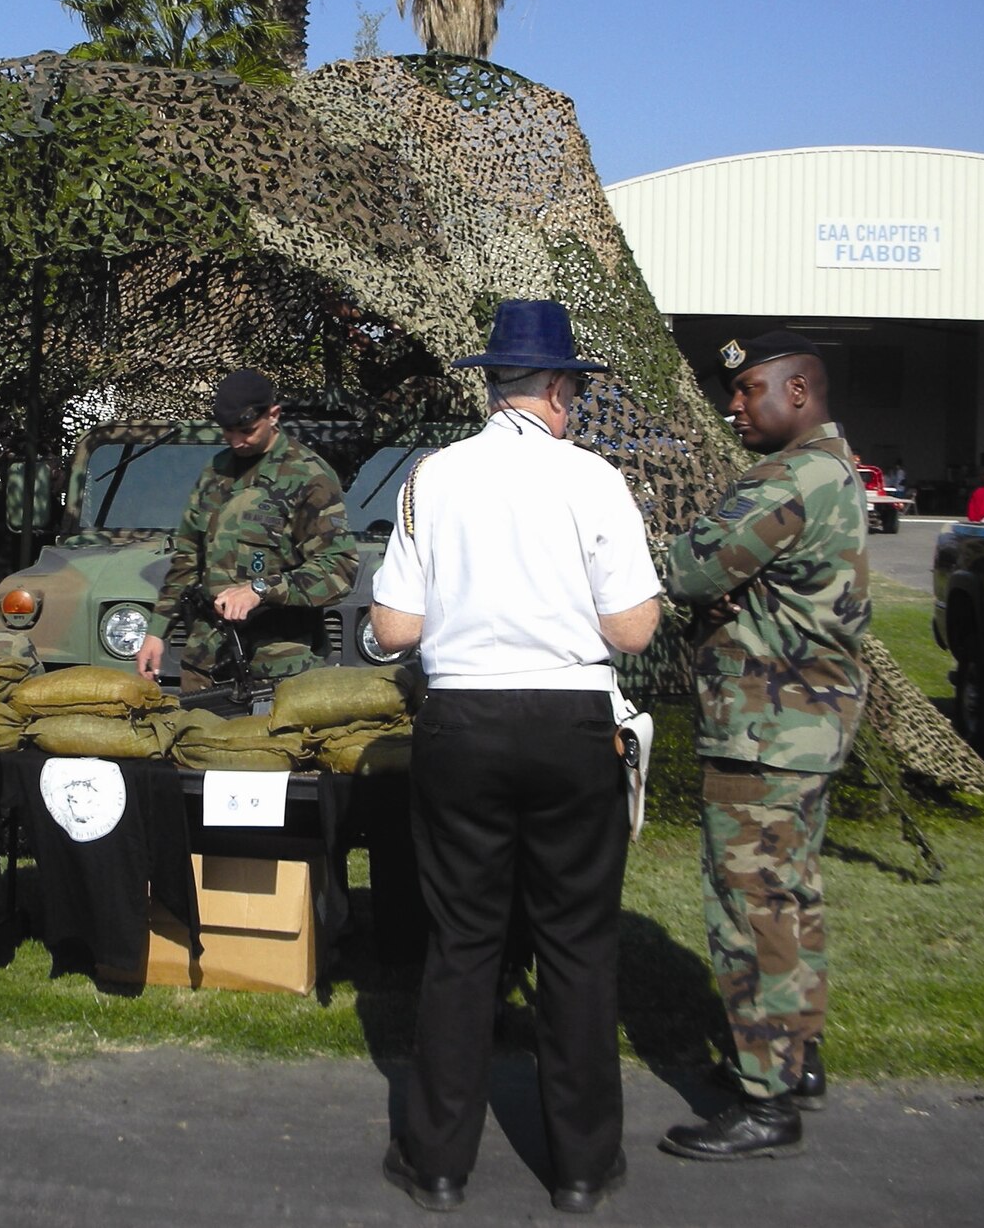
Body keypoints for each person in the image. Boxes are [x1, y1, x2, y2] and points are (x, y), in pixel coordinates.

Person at [367, 300, 661, 1216]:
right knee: (576, 943)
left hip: (462, 718)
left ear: (493, 385)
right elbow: (632, 629)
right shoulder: (596, 479)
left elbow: (394, 627)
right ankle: (581, 1166)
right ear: (560, 389)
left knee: (462, 942)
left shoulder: (432, 477)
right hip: (569, 717)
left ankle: (437, 1161)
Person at [659, 330, 870, 1162]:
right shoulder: (834, 469)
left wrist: (702, 575)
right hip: (805, 726)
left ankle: (764, 1097)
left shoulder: (789, 479)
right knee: (791, 898)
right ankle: (794, 1057)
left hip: (765, 727)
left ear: (799, 392)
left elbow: (691, 568)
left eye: (749, 389)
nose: (734, 406)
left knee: (749, 910)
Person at [135, 369, 358, 690]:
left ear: (273, 415)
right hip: (207, 660)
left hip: (280, 665)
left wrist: (260, 590)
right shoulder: (216, 472)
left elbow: (339, 569)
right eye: (229, 431)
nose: (237, 441)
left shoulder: (309, 476)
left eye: (247, 431)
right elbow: (187, 559)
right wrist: (157, 631)